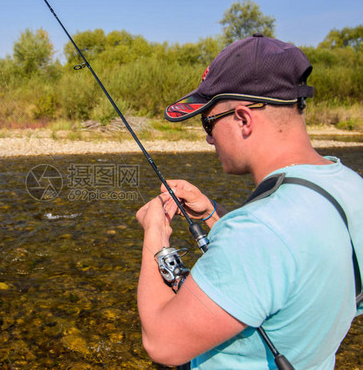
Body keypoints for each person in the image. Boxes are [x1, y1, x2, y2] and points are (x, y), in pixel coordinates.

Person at [136, 34, 363, 369]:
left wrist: (154, 233)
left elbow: (162, 343)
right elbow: (287, 269)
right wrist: (213, 214)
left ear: (243, 118)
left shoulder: (259, 231)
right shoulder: (349, 186)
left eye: (208, 122)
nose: (210, 138)